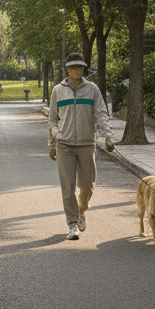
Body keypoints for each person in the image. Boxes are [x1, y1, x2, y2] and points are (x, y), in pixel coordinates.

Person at [48, 52, 114, 240]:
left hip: (86, 144)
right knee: (68, 187)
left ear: (83, 69)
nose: (77, 70)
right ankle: (72, 224)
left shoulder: (92, 89)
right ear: (67, 69)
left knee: (87, 185)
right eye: (73, 67)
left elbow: (101, 113)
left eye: (80, 67)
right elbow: (52, 119)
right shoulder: (57, 91)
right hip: (65, 145)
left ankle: (81, 210)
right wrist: (53, 142)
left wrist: (107, 136)